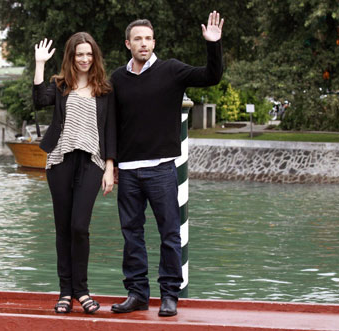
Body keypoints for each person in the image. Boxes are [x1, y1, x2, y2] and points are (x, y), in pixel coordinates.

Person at [110, 11, 224, 317]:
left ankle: (170, 295)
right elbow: (111, 123)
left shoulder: (172, 70)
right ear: (128, 44)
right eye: (138, 39)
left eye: (148, 38)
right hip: (129, 172)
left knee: (170, 234)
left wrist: (213, 45)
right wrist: (113, 163)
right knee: (131, 234)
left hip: (161, 169)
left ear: (153, 41)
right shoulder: (117, 79)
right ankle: (137, 294)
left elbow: (211, 76)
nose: (143, 44)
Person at [32, 32, 116, 314]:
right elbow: (38, 99)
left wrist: (109, 166)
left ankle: (82, 290)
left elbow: (110, 130)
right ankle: (65, 292)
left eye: (89, 54)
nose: (84, 59)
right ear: (71, 56)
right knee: (63, 228)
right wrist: (40, 64)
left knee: (80, 227)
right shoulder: (60, 86)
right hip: (60, 160)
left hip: (92, 161)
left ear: (95, 57)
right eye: (79, 54)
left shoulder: (104, 88)